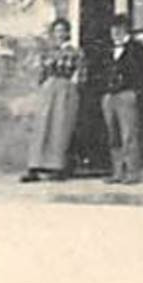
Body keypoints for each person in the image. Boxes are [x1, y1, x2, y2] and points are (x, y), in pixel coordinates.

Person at [21, 18, 85, 182]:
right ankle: (35, 165)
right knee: (41, 128)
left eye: (63, 31)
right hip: (48, 90)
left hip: (65, 90)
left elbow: (81, 74)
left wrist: (73, 85)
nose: (60, 34)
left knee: (60, 127)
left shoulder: (76, 52)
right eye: (57, 31)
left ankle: (57, 166)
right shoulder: (46, 52)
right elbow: (40, 72)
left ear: (68, 33)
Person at [101, 13, 143, 184]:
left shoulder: (137, 49)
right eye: (113, 28)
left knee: (128, 135)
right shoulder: (107, 49)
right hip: (110, 96)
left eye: (119, 28)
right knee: (113, 135)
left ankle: (132, 172)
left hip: (126, 95)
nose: (115, 32)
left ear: (126, 29)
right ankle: (117, 172)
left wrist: (136, 92)